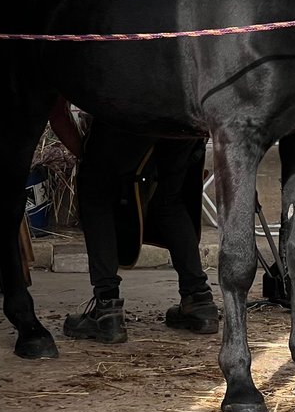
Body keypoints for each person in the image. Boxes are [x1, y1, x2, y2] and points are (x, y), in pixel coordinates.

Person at [56, 111, 219, 344]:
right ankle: (199, 299)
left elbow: (56, 111)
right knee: (168, 198)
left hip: (136, 111)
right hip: (186, 116)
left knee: (95, 188)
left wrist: (91, 156)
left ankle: (107, 308)